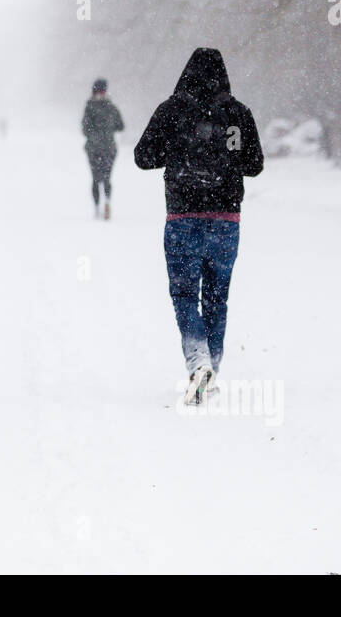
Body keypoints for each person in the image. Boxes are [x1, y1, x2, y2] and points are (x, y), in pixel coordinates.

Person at [134, 48, 264, 404]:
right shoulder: (238, 113)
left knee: (184, 294)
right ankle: (213, 366)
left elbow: (142, 157)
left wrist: (175, 149)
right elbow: (255, 165)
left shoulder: (172, 110)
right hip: (226, 219)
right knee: (217, 297)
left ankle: (198, 361)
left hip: (182, 218)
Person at [81, 78, 124, 219]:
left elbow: (84, 129)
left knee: (96, 178)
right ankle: (106, 202)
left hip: (94, 149)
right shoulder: (111, 107)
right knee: (106, 177)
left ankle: (98, 207)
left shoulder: (90, 107)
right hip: (109, 149)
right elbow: (121, 125)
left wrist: (94, 134)